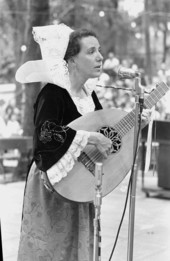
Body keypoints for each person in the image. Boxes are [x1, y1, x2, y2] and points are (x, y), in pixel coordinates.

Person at [15, 24, 150, 261]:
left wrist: (135, 124)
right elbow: (46, 133)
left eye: (99, 50)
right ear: (72, 60)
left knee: (77, 248)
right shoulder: (53, 93)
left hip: (81, 182)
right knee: (52, 247)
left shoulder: (89, 96)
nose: (100, 56)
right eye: (91, 51)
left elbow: (104, 134)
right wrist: (90, 137)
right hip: (53, 182)